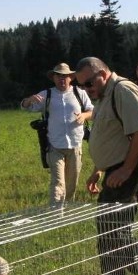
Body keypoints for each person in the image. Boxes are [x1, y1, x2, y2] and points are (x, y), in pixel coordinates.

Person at [74, 57, 138, 275]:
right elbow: (112, 135)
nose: (86, 89)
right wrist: (98, 169)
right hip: (115, 169)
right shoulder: (104, 96)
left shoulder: (123, 90)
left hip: (128, 170)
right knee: (110, 232)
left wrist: (125, 169)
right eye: (81, 86)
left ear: (102, 75)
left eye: (88, 84)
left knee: (114, 232)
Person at [20, 63, 93, 207]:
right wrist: (29, 100)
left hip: (75, 145)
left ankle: (68, 207)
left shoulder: (80, 93)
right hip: (54, 145)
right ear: (53, 78)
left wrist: (84, 116)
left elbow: (92, 111)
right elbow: (24, 106)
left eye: (65, 76)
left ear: (70, 78)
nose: (62, 79)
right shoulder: (46, 94)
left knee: (72, 181)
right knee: (58, 182)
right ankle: (56, 213)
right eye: (59, 76)